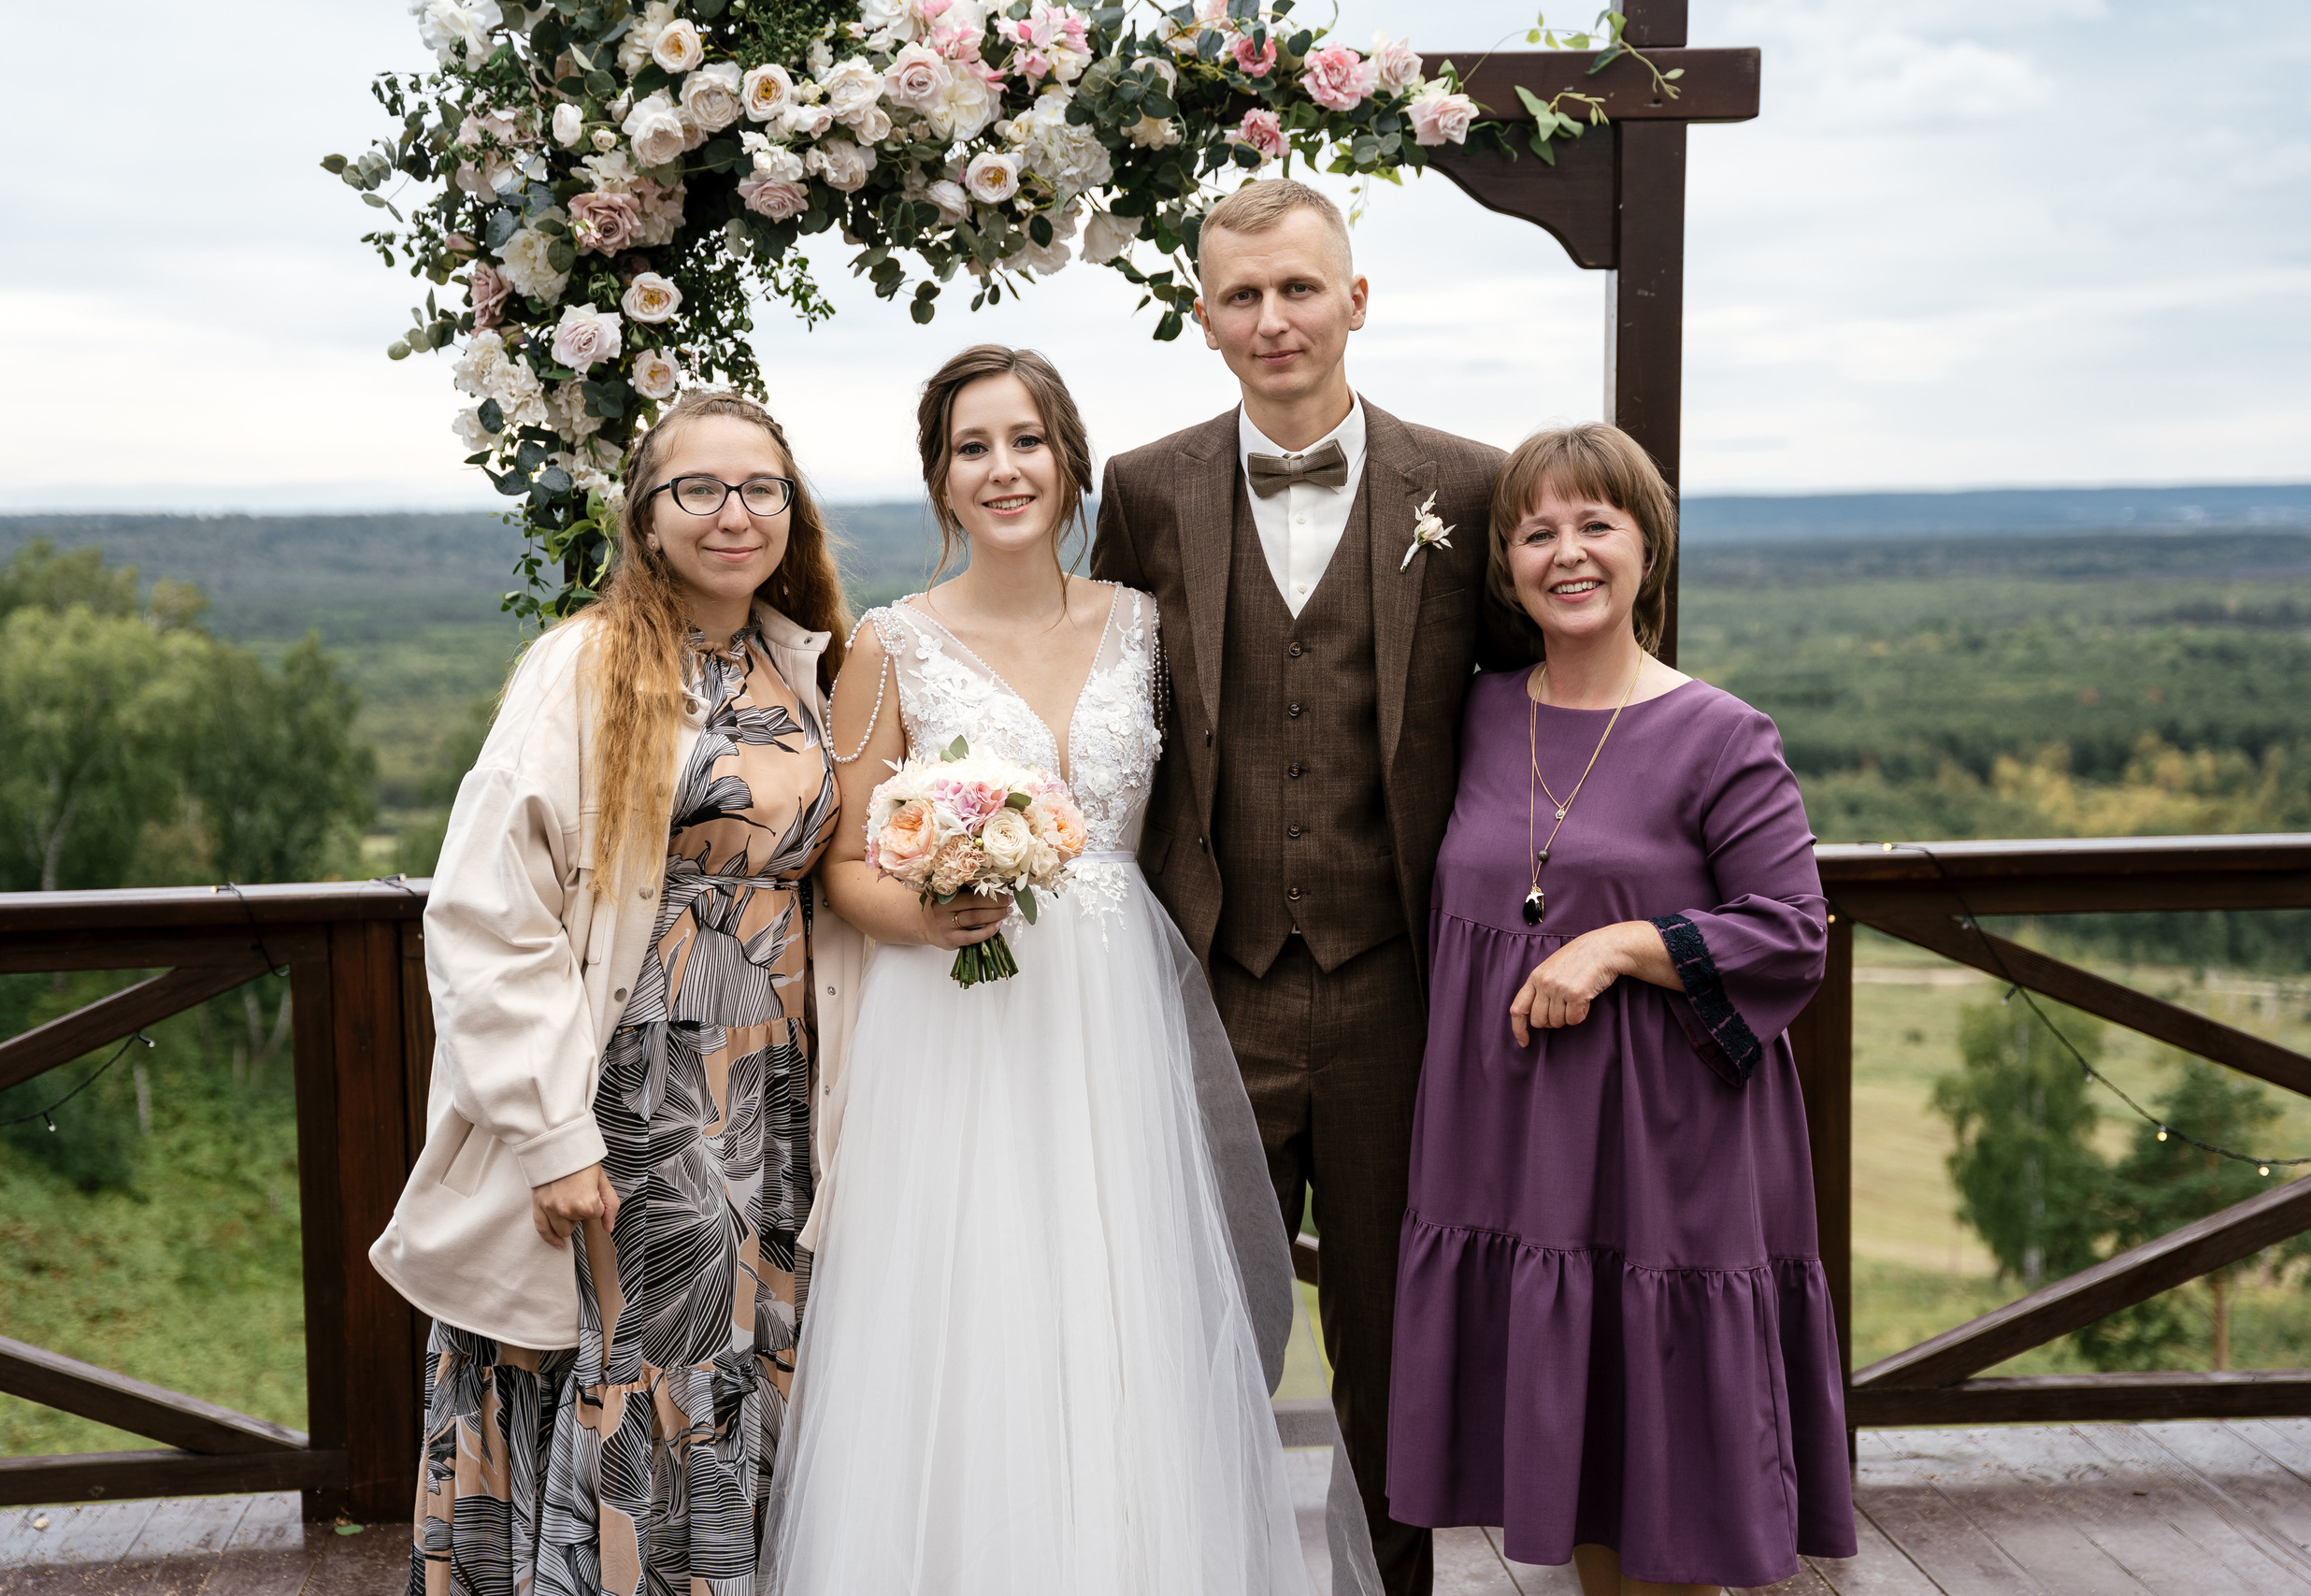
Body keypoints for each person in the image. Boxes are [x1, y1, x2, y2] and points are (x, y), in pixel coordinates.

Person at [763, 345, 1353, 1595]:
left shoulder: (1142, 622)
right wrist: (920, 917)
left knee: (1121, 1308)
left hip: (1118, 1013)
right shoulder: (889, 643)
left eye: (1025, 440)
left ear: (1069, 461)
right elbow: (844, 863)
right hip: (960, 1023)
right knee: (972, 1315)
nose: (1002, 468)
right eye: (972, 447)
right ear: (941, 480)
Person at [1091, 178, 1511, 1596]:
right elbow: (1099, 701)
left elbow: (1537, 706)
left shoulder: (1471, 482)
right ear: (1205, 320)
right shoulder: (1144, 491)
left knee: (1399, 1339)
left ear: (1356, 299)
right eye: (1242, 296)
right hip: (1214, 983)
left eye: (1299, 288)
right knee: (1205, 1328)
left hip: (1405, 987)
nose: (1273, 319)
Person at [369, 390, 859, 1596]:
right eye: (698, 488)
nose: (733, 514)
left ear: (792, 514)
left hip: (775, 1097)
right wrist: (549, 1135)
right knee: (641, 1384)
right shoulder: (585, 667)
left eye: (761, 489)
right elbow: (488, 914)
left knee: (744, 1375)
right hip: (635, 1102)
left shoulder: (808, 662)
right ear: (643, 520)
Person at [1385, 422, 1856, 1594]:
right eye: (1537, 531)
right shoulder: (1480, 713)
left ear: (1649, 546)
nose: (1568, 553)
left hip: (1662, 1155)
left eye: (1596, 524)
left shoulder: (1720, 736)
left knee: (1663, 1479)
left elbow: (1795, 930)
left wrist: (1622, 945)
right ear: (1507, 565)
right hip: (1506, 1148)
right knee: (1581, 1472)